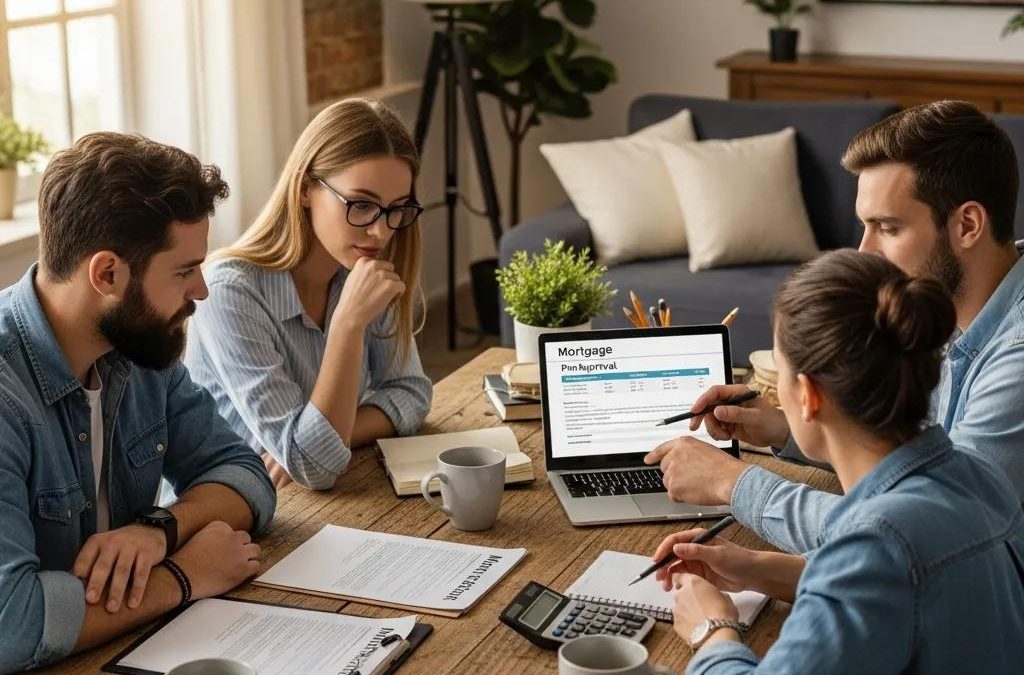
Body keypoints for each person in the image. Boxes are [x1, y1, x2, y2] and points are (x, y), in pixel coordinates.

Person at [646, 100, 1024, 554]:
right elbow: (911, 463)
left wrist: (735, 484)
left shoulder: (1016, 351)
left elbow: (927, 528)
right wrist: (788, 428)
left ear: (967, 224)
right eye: (865, 226)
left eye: (887, 227)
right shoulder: (943, 307)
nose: (864, 252)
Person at [657, 250, 1024, 674]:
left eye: (781, 370)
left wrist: (713, 630)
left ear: (810, 396)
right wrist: (756, 568)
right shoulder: (976, 476)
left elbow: (880, 566)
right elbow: (907, 592)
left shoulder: (878, 542)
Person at [0, 133, 277, 673]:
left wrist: (160, 529)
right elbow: (9, 624)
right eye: (183, 270)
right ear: (107, 274)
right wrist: (181, 576)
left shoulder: (136, 345)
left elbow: (244, 474)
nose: (201, 290)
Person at [183, 98, 432, 491]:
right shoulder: (229, 291)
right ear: (304, 189)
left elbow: (412, 393)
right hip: (224, 515)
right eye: (362, 205)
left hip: (310, 503)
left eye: (396, 209)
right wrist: (348, 323)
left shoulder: (361, 268)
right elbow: (312, 466)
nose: (381, 232)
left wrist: (328, 437)